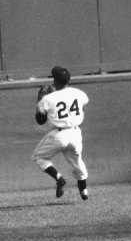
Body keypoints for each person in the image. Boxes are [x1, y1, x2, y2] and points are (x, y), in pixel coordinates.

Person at [33, 66, 90, 201]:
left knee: (39, 157)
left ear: (55, 81)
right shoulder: (79, 93)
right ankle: (84, 191)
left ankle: (59, 178)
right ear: (68, 80)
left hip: (58, 135)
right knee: (77, 162)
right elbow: (82, 107)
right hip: (75, 133)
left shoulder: (48, 99)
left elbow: (40, 120)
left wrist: (40, 102)